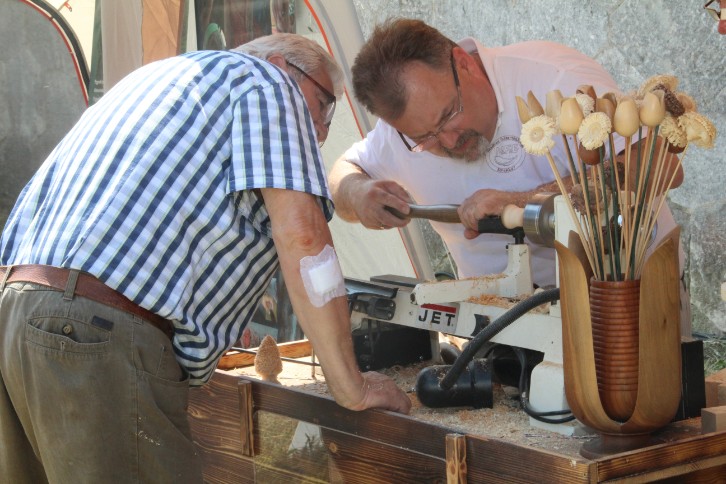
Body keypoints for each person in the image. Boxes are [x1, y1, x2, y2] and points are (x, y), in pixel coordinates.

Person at [0, 33, 411, 483]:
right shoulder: (269, 83)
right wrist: (351, 386)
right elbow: (303, 236)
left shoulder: (155, 80)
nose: (323, 130)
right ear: (281, 64)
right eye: (324, 104)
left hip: (18, 313)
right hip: (96, 332)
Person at [329, 18, 684, 289]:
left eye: (449, 115)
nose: (448, 141)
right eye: (425, 139)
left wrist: (523, 203)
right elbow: (344, 174)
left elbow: (661, 165)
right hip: (496, 323)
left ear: (463, 63)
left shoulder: (555, 78)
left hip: (625, 296)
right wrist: (357, 192)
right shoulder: (400, 133)